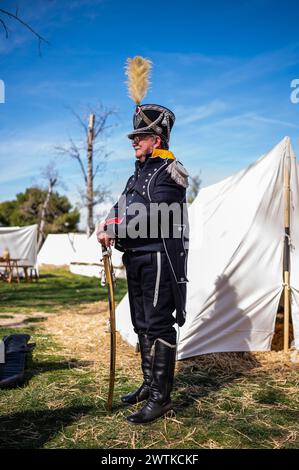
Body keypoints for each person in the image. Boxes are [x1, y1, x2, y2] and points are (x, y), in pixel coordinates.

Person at [97, 103, 189, 424]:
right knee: (140, 324)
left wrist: (115, 227)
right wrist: (106, 221)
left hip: (158, 259)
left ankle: (160, 400)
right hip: (134, 258)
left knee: (158, 325)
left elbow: (154, 216)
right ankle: (149, 385)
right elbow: (120, 206)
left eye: (141, 136)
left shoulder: (170, 172)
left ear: (158, 140)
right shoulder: (136, 175)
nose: (134, 141)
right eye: (134, 136)